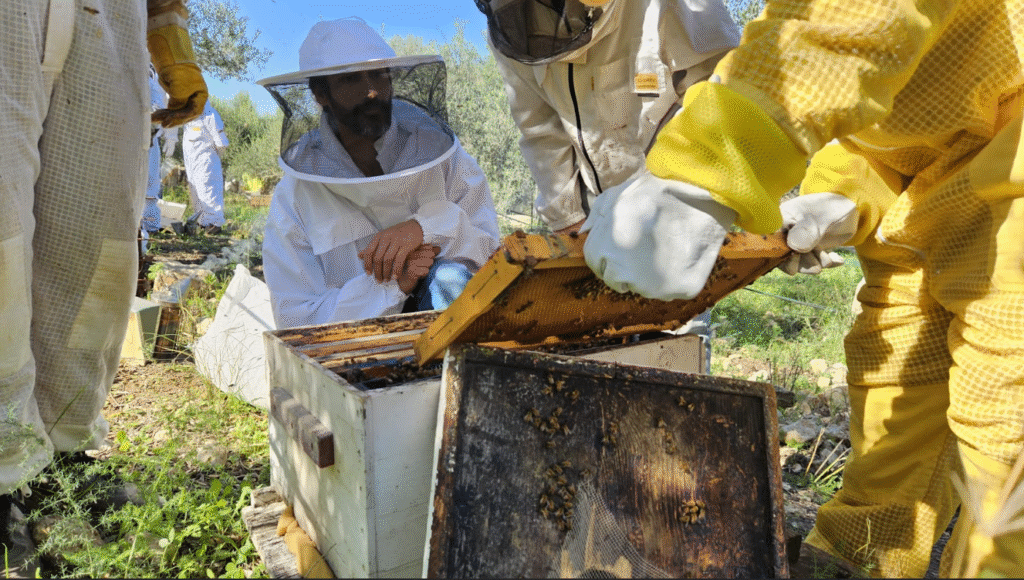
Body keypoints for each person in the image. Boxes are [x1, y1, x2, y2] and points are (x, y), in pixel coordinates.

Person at [580, 0, 1024, 577]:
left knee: (1007, 433)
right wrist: (847, 192)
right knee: (894, 401)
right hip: (927, 208)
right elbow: (889, 122)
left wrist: (707, 164)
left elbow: (851, 18)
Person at [0, 0, 207, 575]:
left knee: (97, 245)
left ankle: (61, 450)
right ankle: (3, 475)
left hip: (112, 18)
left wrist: (172, 46)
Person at [476, 0, 740, 370]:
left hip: (671, 203)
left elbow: (722, 85)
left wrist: (685, 191)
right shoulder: (508, 29)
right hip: (593, 217)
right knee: (599, 356)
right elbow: (540, 129)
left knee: (676, 348)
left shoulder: (672, 8)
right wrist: (568, 218)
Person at [258, 18, 501, 330]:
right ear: (320, 94)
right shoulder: (294, 196)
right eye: (351, 80)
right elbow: (296, 318)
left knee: (448, 279)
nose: (372, 92)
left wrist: (425, 228)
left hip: (452, 327)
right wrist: (392, 285)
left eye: (379, 75)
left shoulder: (441, 154)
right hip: (356, 345)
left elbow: (489, 253)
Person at [140, 65, 180, 241]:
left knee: (151, 182)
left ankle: (149, 225)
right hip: (128, 137)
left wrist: (171, 136)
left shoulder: (159, 83)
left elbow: (169, 106)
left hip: (151, 138)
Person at [179, 99, 229, 235]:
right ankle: (203, 222)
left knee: (208, 190)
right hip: (192, 163)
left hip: (207, 162)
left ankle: (214, 223)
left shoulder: (210, 114)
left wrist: (212, 158)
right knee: (196, 192)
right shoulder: (188, 119)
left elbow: (222, 143)